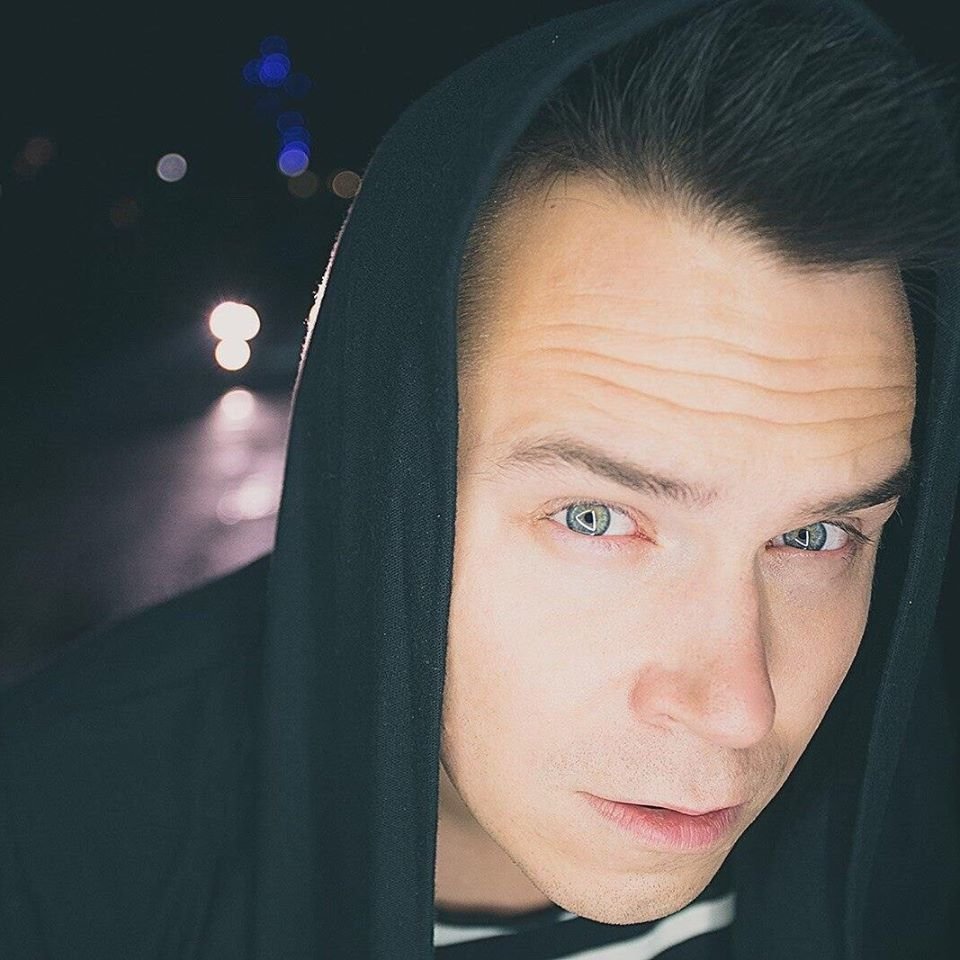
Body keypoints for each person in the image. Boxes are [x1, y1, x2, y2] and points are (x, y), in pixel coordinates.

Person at [2, 0, 958, 957]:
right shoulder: (53, 862)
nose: (740, 708)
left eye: (814, 536)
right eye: (595, 518)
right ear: (385, 475)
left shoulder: (918, 828)